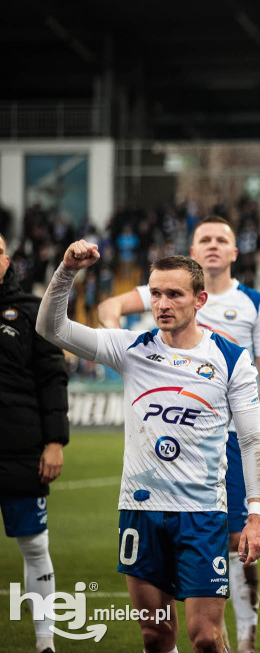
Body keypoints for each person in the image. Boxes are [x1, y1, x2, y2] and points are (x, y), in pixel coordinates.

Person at [37, 245, 260, 653]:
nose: (162, 304)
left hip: (202, 515)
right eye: (156, 293)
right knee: (155, 636)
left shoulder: (232, 360)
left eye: (174, 294)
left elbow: (251, 441)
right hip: (141, 512)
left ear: (200, 300)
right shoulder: (131, 349)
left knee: (206, 638)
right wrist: (66, 271)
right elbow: (51, 329)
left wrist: (256, 516)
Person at [98, 215, 260, 653]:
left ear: (236, 252)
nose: (214, 245)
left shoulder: (256, 303)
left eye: (223, 239)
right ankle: (212, 635)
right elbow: (108, 309)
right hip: (175, 434)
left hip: (234, 435)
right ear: (193, 252)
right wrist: (120, 350)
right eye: (205, 239)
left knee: (239, 539)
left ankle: (245, 637)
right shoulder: (165, 290)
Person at [0, 232, 69, 653]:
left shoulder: (30, 312)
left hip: (20, 451)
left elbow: (52, 378)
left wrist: (55, 442)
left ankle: (45, 643)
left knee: (34, 545)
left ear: (7, 260)